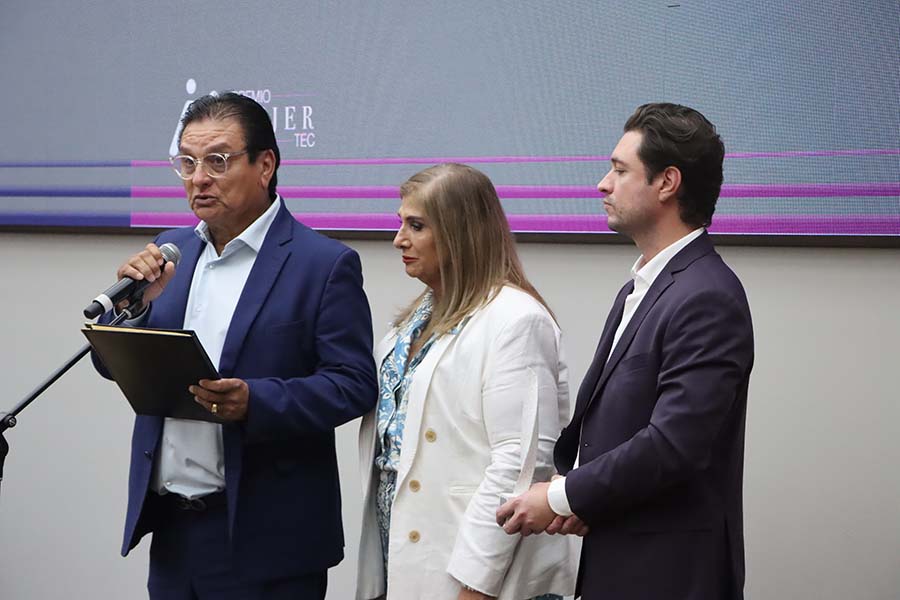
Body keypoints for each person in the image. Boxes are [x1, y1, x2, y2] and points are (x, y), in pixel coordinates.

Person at [91, 92, 378, 599]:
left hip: (269, 541)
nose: (198, 178)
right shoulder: (171, 252)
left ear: (265, 165)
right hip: (174, 531)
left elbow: (353, 385)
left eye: (217, 161)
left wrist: (256, 401)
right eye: (187, 162)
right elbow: (113, 366)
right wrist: (132, 314)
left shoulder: (323, 264)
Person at [497, 103, 754, 599]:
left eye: (619, 170)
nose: (602, 184)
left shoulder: (707, 295)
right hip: (620, 556)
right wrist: (580, 498)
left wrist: (559, 496)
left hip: (670, 574)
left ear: (667, 183)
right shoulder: (645, 283)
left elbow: (674, 444)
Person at [355, 163, 578, 600]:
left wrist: (476, 585)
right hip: (404, 555)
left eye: (416, 226)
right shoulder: (411, 323)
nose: (399, 239)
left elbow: (520, 464)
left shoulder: (516, 320)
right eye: (400, 223)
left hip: (476, 571)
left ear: (461, 233)